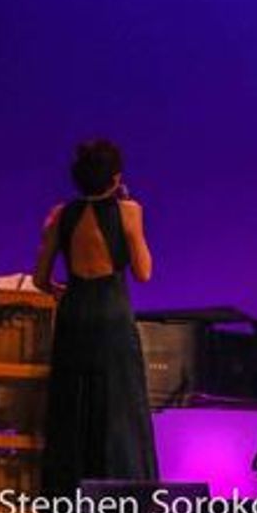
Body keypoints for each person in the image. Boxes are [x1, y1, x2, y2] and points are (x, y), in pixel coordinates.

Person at [33, 139, 157, 494]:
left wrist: (61, 290)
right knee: (119, 409)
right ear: (115, 178)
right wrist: (129, 212)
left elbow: (41, 279)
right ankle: (123, 502)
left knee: (72, 408)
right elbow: (144, 271)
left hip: (74, 315)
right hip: (112, 317)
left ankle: (66, 503)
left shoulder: (60, 215)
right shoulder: (129, 211)